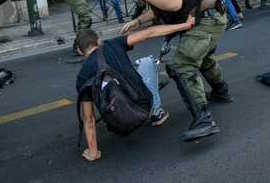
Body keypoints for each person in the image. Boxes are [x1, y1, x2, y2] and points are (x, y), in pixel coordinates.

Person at [117, 0, 232, 142]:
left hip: (208, 19)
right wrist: (137, 22)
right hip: (205, 18)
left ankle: (204, 120)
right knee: (203, 59)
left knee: (182, 64)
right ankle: (222, 91)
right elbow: (159, 8)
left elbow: (173, 4)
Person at [76, 18, 194, 162]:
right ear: (99, 41)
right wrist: (184, 24)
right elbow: (151, 32)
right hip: (144, 107)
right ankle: (156, 113)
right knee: (146, 61)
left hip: (119, 122)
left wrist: (93, 152)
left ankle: (122, 120)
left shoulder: (82, 77)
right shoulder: (114, 43)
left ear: (80, 51)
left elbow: (89, 119)